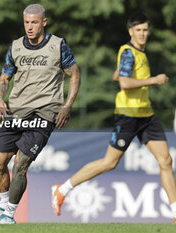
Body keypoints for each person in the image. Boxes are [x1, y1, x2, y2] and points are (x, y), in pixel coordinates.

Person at [52, 12, 176, 223]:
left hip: (146, 115)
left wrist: (122, 72)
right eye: (138, 30)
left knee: (165, 160)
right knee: (109, 163)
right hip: (128, 116)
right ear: (131, 32)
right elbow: (125, 84)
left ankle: (175, 213)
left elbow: (119, 75)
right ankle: (62, 189)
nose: (143, 34)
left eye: (145, 30)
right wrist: (153, 80)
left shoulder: (139, 53)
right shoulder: (128, 51)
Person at [0, 4, 80, 224]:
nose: (29, 27)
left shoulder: (58, 45)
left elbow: (74, 74)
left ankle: (8, 216)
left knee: (20, 163)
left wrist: (67, 105)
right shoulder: (16, 46)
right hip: (16, 112)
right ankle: (1, 207)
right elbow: (4, 78)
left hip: (44, 114)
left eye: (34, 22)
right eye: (26, 22)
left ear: (44, 22)